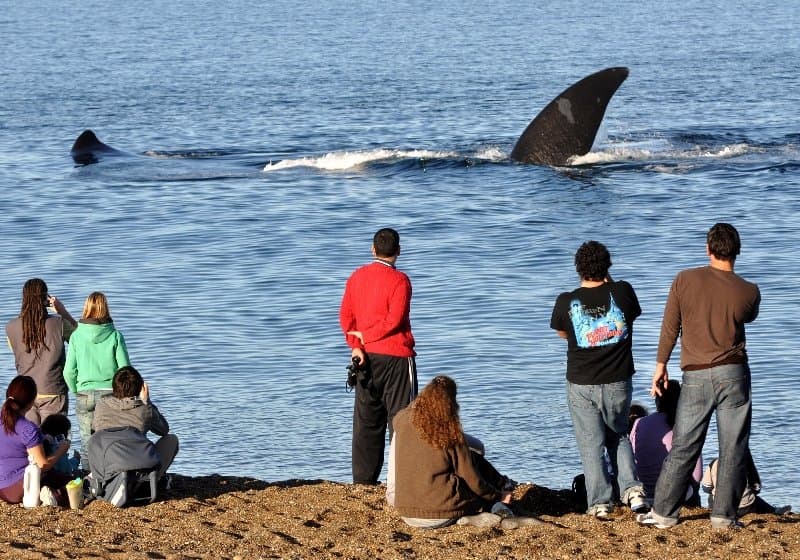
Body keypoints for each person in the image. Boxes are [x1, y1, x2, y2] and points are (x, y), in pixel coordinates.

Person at [638, 223, 760, 530]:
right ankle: (723, 516)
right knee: (733, 446)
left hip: (695, 375)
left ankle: (664, 513)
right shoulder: (749, 291)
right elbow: (748, 316)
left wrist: (660, 365)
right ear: (738, 251)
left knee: (685, 444)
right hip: (733, 373)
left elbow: (670, 325)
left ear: (708, 249)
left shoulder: (685, 279)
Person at [550, 240, 647, 517]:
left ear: (578, 269)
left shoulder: (567, 301)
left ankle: (601, 503)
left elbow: (563, 334)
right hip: (618, 380)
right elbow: (632, 316)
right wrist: (609, 280)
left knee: (590, 444)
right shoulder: (623, 291)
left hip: (582, 382)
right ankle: (633, 491)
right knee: (618, 434)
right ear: (608, 268)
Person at [339, 228, 418, 485]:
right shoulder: (400, 281)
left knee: (367, 421)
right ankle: (401, 481)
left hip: (365, 357)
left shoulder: (356, 277)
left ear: (373, 249)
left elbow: (346, 317)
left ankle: (363, 482)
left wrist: (357, 344)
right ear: (398, 251)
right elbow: (394, 321)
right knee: (401, 419)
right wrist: (366, 337)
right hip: (395, 356)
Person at [388, 376, 515, 528]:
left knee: (471, 457)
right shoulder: (449, 432)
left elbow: (404, 413)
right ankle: (500, 499)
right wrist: (497, 496)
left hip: (406, 512)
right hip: (439, 514)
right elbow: (471, 479)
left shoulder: (402, 420)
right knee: (482, 496)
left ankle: (501, 485)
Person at [63, 291, 131, 470]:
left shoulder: (76, 336)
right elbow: (125, 371)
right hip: (111, 394)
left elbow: (68, 371)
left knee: (87, 444)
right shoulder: (115, 336)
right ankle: (111, 477)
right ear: (105, 308)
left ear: (86, 308)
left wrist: (76, 390)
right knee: (111, 441)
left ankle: (89, 482)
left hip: (84, 393)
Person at [5, 278, 77, 424]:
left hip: (25, 393)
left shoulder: (11, 327)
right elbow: (81, 340)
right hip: (53, 389)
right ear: (45, 298)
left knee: (30, 442)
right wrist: (62, 311)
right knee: (54, 440)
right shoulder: (60, 324)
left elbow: (15, 350)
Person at [92, 366, 178, 481]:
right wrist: (147, 402)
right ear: (140, 388)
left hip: (107, 469)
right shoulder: (144, 410)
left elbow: (94, 429)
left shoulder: (101, 405)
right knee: (171, 439)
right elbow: (164, 430)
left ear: (114, 387)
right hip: (138, 469)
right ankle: (153, 479)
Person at [0, 376, 72, 506]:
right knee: (70, 481)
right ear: (32, 401)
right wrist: (62, 450)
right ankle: (52, 496)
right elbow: (42, 465)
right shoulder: (28, 428)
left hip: (1, 489)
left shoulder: (5, 421)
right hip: (19, 487)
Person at [631, 380, 702, 505]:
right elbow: (697, 475)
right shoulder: (687, 425)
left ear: (657, 400)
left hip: (644, 492)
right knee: (692, 487)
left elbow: (633, 456)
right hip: (675, 495)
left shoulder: (639, 423)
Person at [702, 450, 791, 516]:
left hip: (719, 507)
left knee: (712, 495)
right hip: (745, 507)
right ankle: (774, 511)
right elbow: (757, 488)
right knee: (756, 499)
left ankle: (713, 510)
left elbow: (706, 488)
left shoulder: (714, 463)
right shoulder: (746, 463)